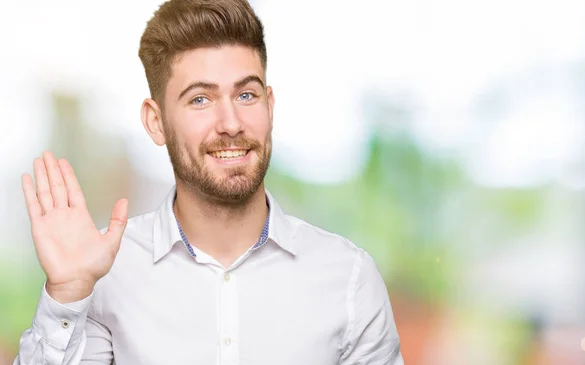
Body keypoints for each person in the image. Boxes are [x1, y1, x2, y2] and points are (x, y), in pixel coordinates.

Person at [14, 0, 403, 364]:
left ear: (270, 105)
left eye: (246, 95)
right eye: (200, 99)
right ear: (156, 122)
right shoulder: (106, 276)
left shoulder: (349, 279)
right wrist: (68, 294)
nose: (231, 123)